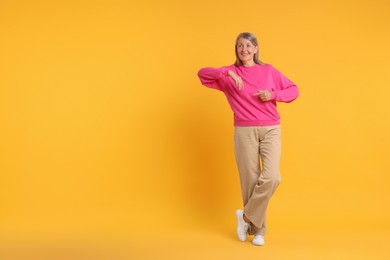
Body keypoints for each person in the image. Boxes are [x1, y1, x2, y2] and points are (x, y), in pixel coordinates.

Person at [197, 32, 299, 246]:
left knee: (272, 178)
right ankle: (259, 231)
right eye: (239, 45)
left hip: (271, 128)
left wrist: (273, 95)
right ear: (236, 49)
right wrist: (228, 73)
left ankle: (245, 217)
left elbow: (294, 90)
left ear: (256, 48)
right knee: (250, 182)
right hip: (244, 131)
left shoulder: (269, 71)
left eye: (248, 45)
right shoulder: (229, 74)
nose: (244, 49)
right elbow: (202, 74)